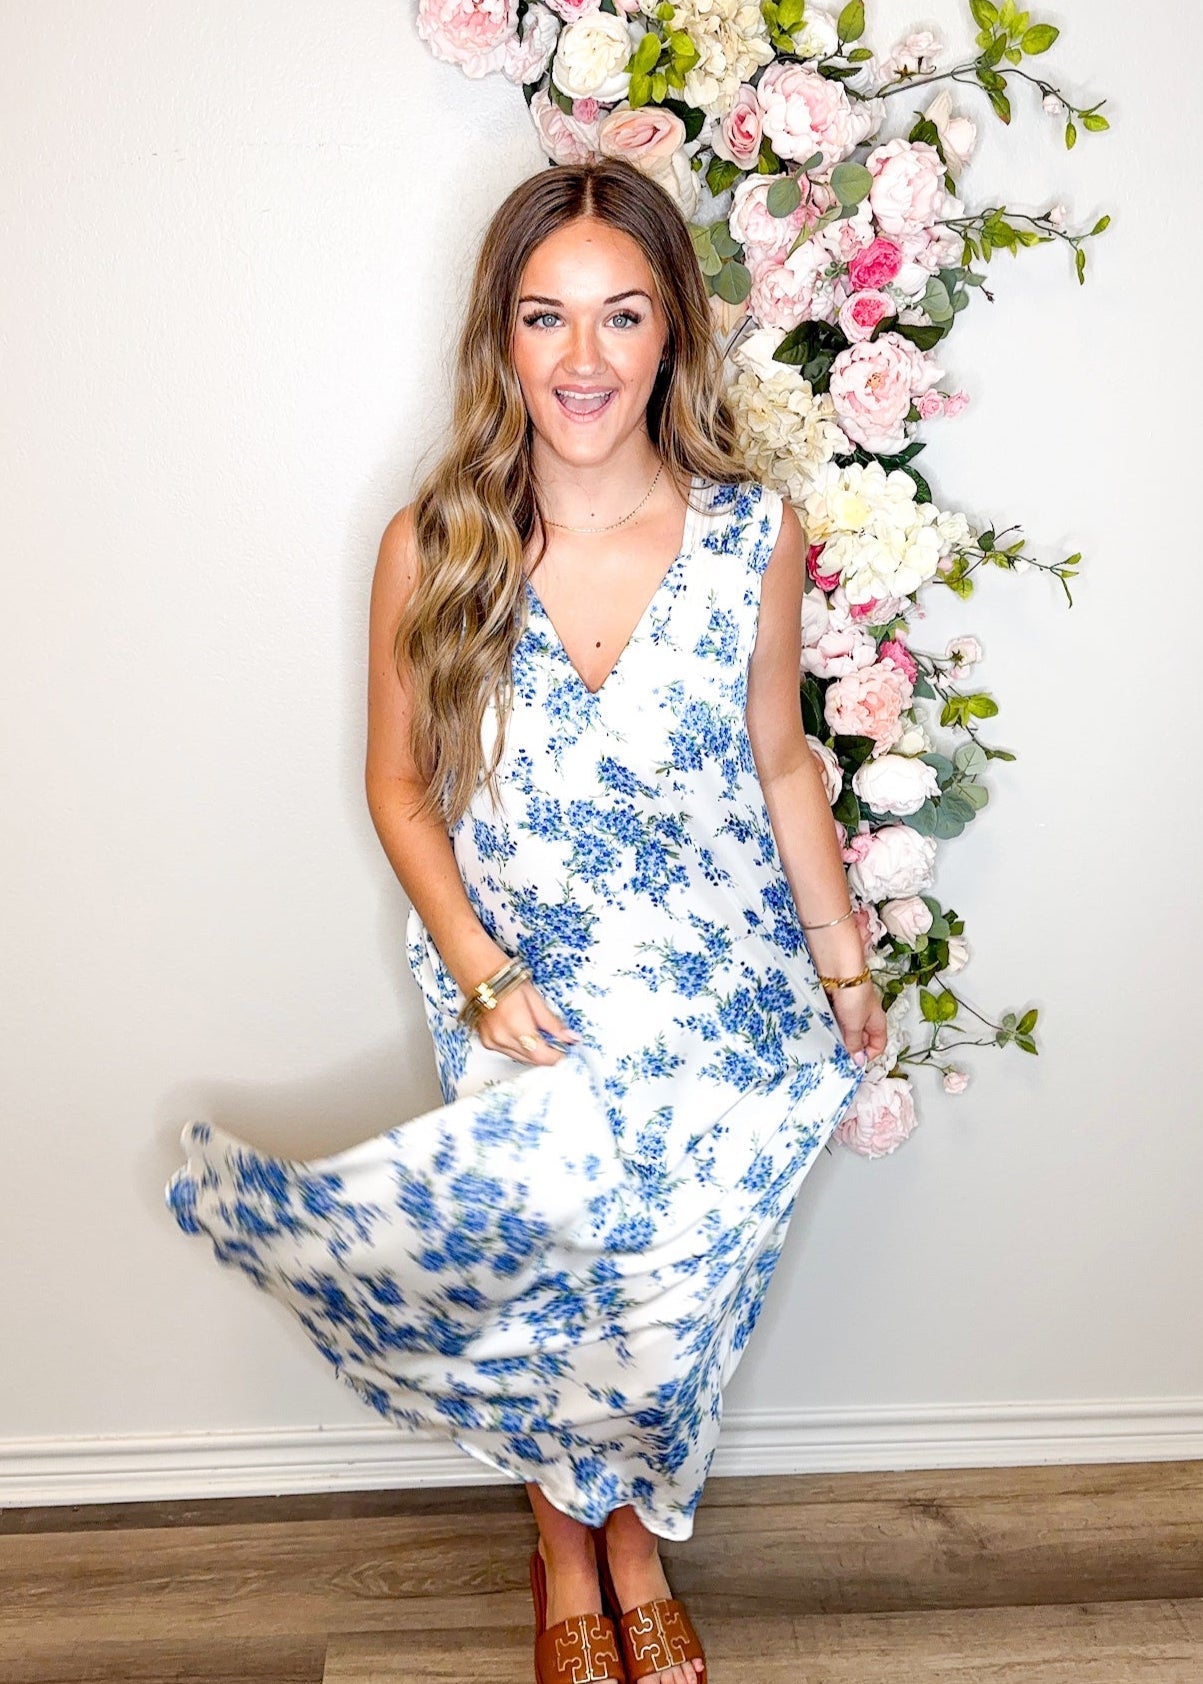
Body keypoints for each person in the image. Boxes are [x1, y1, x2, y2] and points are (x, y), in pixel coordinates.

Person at [167, 155, 887, 1684]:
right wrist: (483, 973)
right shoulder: (436, 544)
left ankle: (632, 1539)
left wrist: (842, 961)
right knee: (563, 1293)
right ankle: (572, 1548)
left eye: (621, 314)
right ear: (500, 335)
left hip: (720, 998)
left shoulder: (752, 537)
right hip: (526, 995)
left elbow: (781, 760)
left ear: (671, 331)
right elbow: (399, 787)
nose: (583, 359)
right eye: (546, 316)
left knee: (668, 1302)